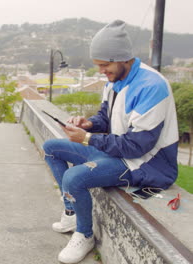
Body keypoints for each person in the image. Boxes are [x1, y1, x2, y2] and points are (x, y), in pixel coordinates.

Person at [42, 20, 178, 264]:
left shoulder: (152, 86)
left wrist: (86, 138)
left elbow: (138, 146)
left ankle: (85, 235)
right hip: (116, 152)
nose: (101, 71)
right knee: (52, 148)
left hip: (143, 163)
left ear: (123, 58)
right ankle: (72, 213)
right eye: (99, 65)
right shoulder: (114, 80)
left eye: (105, 65)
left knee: (74, 178)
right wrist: (89, 124)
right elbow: (106, 117)